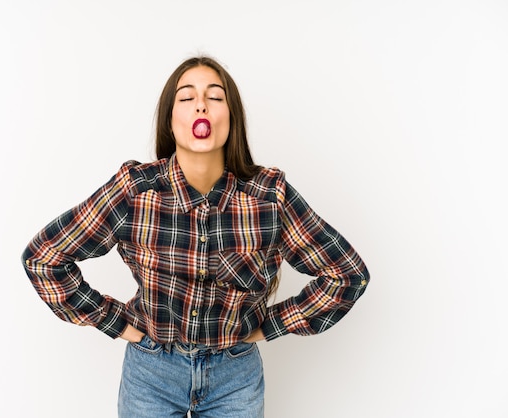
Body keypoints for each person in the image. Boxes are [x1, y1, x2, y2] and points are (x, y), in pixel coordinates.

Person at [21, 55, 370, 418]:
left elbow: (346, 275)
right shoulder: (136, 190)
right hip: (151, 373)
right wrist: (117, 322)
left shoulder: (269, 195)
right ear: (170, 121)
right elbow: (44, 257)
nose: (201, 104)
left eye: (215, 97)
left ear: (230, 119)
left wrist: (272, 327)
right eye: (186, 98)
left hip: (236, 376)